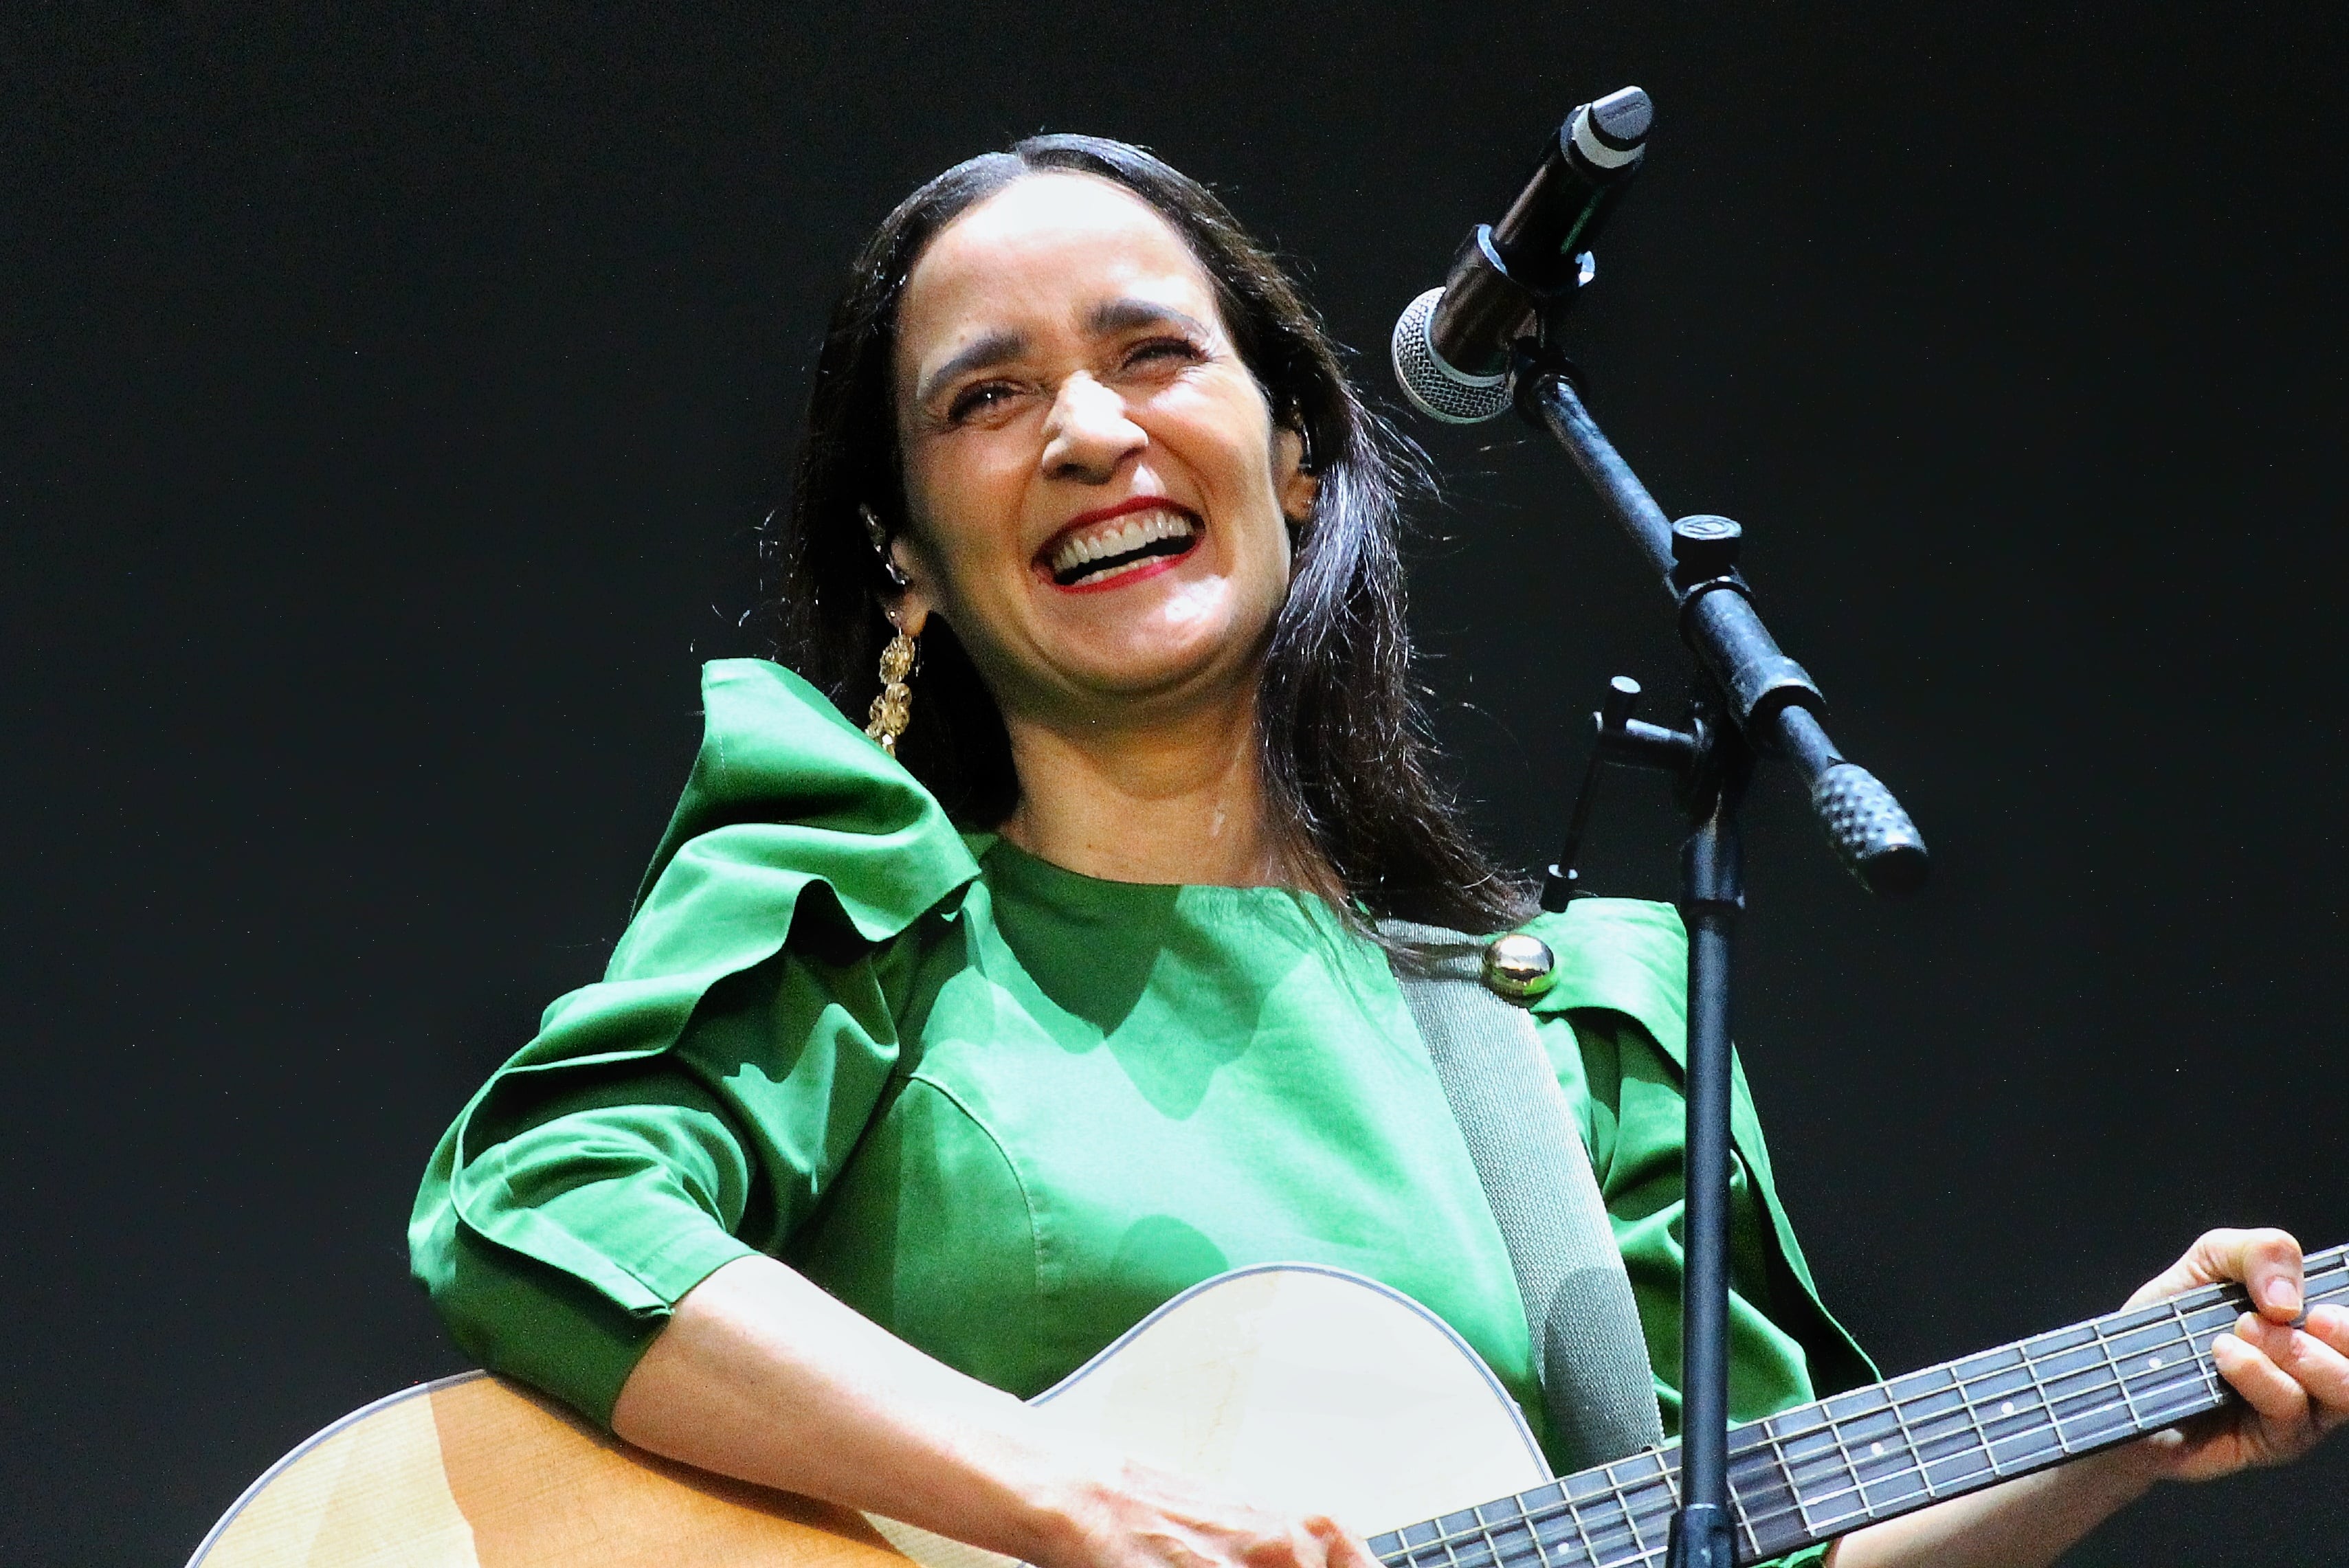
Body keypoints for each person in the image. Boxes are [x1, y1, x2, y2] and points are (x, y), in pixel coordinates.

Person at [408, 135, 2346, 1568]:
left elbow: (1754, 1547)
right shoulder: (863, 895)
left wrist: (2112, 1418)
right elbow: (544, 1211)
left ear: (1297, 452)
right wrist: (1066, 1502)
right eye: (985, 397)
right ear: (902, 552)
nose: (1086, 431)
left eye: (1153, 354)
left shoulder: (1563, 1037)